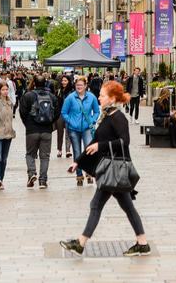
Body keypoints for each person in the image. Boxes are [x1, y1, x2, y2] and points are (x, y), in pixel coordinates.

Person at [61, 80, 151, 257]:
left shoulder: (118, 117)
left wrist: (100, 146)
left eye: (102, 96)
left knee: (96, 204)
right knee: (127, 207)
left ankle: (80, 243)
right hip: (113, 171)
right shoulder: (107, 116)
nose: (99, 98)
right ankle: (142, 243)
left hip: (114, 170)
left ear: (111, 98)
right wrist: (77, 162)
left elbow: (124, 142)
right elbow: (95, 142)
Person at [19, 75, 59, 189]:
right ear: (45, 83)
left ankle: (32, 173)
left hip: (32, 130)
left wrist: (28, 124)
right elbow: (57, 112)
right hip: (46, 130)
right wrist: (50, 122)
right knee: (45, 156)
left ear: (34, 83)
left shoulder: (28, 96)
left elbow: (22, 112)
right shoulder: (51, 96)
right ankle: (43, 180)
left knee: (30, 154)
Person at [62, 76, 100, 186]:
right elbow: (64, 112)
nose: (79, 87)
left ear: (85, 86)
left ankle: (88, 173)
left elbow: (97, 111)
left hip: (87, 128)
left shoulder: (91, 97)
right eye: (77, 85)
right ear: (75, 86)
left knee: (88, 150)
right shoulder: (70, 98)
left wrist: (92, 121)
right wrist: (71, 122)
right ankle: (79, 174)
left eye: (81, 85)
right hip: (73, 129)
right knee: (77, 151)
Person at [55, 74, 75, 158]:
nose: (63, 82)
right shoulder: (59, 90)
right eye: (62, 80)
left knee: (68, 132)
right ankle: (59, 150)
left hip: (69, 114)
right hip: (60, 114)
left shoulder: (72, 92)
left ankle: (68, 150)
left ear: (69, 81)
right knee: (59, 132)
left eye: (65, 81)